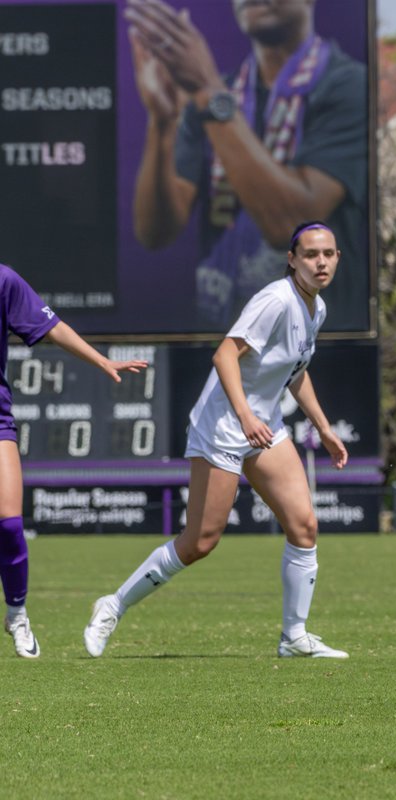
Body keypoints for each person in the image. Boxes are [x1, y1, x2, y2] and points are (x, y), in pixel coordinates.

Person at [84, 221, 350, 659]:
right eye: (310, 254)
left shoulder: (315, 308)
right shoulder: (276, 300)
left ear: (338, 258)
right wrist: (245, 416)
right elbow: (224, 353)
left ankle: (294, 637)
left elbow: (295, 372)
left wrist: (322, 427)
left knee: (304, 526)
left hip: (263, 425)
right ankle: (112, 605)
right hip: (225, 425)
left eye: (328, 253)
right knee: (200, 542)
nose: (320, 261)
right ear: (292, 259)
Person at [126, 0, 368, 331]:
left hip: (318, 345)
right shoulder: (220, 96)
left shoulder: (349, 85)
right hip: (224, 339)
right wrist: (162, 122)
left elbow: (291, 226)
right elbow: (155, 232)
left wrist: (209, 92)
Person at [0, 267, 147, 658]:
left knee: (11, 526)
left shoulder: (3, 280)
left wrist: (102, 361)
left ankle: (16, 615)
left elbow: (51, 328)